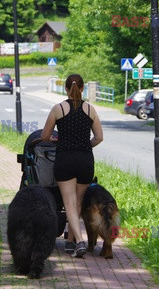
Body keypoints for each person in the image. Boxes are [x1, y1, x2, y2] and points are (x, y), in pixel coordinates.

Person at [40, 74, 103, 258]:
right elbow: (99, 138)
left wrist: (55, 139)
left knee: (69, 202)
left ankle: (80, 241)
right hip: (85, 161)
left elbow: (44, 136)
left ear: (66, 89)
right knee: (77, 203)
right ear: (82, 89)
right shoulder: (90, 109)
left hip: (65, 160)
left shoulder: (58, 109)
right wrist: (84, 146)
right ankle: (69, 242)